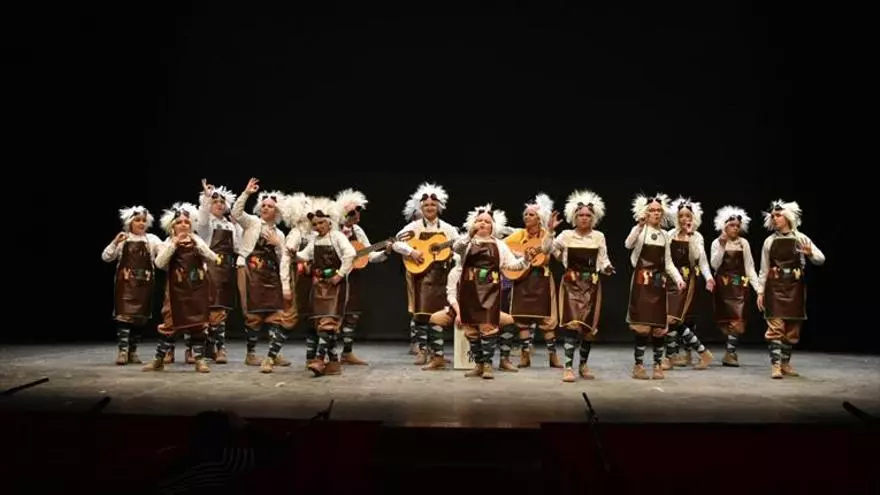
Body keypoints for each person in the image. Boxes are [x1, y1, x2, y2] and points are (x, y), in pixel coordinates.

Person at [439, 204, 531, 379]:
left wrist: (525, 260)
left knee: (487, 327)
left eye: (487, 221)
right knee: (471, 329)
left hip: (490, 291)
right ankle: (479, 365)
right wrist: (469, 234)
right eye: (479, 220)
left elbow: (511, 266)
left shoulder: (499, 245)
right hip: (469, 289)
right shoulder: (467, 242)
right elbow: (456, 248)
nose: (482, 223)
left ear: (492, 226)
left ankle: (488, 366)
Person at [392, 182, 461, 370]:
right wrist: (411, 252)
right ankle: (423, 350)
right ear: (420, 208)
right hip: (422, 275)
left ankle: (436, 352)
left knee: (438, 314)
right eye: (426, 205)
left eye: (432, 205)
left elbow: (458, 247)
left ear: (439, 207)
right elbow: (396, 242)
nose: (430, 208)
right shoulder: (413, 227)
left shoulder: (448, 229)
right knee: (421, 314)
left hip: (441, 276)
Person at [143, 202, 217, 372]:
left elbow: (212, 258)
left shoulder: (197, 240)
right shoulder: (168, 242)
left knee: (198, 324)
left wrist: (198, 245)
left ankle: (199, 360)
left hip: (197, 289)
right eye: (179, 222)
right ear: (172, 226)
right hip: (176, 291)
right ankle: (158, 360)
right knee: (170, 323)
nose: (183, 225)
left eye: (186, 222)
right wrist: (174, 244)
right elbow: (159, 263)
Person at [551, 190, 616, 382]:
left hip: (591, 285)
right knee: (572, 325)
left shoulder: (599, 236)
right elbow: (549, 249)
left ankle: (583, 364)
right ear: (574, 216)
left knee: (589, 329)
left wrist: (608, 268)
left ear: (594, 217)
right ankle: (568, 367)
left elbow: (603, 261)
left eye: (588, 215)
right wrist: (550, 231)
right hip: (571, 284)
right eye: (581, 215)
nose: (584, 218)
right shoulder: (565, 235)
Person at [757, 199, 825, 378]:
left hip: (795, 287)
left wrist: (810, 255)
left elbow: (821, 259)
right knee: (775, 326)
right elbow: (763, 269)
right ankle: (776, 365)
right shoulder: (769, 241)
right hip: (774, 287)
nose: (775, 218)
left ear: (787, 217)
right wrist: (760, 292)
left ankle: (785, 363)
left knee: (793, 328)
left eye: (778, 215)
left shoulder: (801, 238)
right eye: (772, 216)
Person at [624, 193, 686, 380]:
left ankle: (658, 365)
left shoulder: (665, 235)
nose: (656, 213)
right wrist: (639, 225)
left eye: (659, 210)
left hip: (659, 283)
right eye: (652, 210)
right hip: (641, 282)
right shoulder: (640, 230)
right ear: (645, 212)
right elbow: (627, 244)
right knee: (642, 326)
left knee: (659, 326)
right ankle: (639, 365)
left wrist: (678, 279)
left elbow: (667, 262)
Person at [231, 178, 289, 373]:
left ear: (277, 212)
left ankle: (274, 353)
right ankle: (251, 353)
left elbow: (284, 258)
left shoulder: (279, 234)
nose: (265, 208)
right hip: (248, 271)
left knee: (275, 313)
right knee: (253, 314)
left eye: (270, 206)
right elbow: (236, 213)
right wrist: (247, 193)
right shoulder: (252, 222)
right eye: (263, 205)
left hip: (270, 276)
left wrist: (277, 244)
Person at [295, 197, 357, 377]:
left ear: (329, 222)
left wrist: (340, 274)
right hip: (319, 285)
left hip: (335, 287)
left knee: (328, 324)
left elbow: (350, 254)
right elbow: (304, 257)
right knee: (322, 324)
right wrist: (292, 253)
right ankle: (334, 363)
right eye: (315, 224)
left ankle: (320, 360)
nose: (318, 226)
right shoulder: (314, 240)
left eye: (321, 222)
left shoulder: (337, 236)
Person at [505, 194, 563, 370]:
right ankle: (525, 355)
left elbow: (552, 252)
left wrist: (551, 233)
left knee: (548, 318)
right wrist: (520, 255)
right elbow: (503, 248)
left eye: (531, 214)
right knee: (522, 318)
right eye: (526, 214)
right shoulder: (518, 235)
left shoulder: (547, 235)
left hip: (542, 280)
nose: (526, 217)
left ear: (540, 218)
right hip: (523, 279)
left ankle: (553, 356)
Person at [334, 188, 392, 365]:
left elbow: (369, 255)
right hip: (335, 277)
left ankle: (347, 352)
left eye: (358, 210)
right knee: (332, 315)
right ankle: (326, 355)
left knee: (351, 315)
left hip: (353, 278)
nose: (356, 214)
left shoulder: (358, 231)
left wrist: (386, 252)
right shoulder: (332, 229)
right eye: (352, 211)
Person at [102, 205, 162, 365]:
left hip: (144, 285)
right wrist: (115, 242)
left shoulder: (153, 240)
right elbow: (106, 257)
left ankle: (133, 351)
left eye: (143, 220)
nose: (141, 223)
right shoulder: (123, 239)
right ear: (130, 222)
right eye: (137, 220)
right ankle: (123, 350)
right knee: (124, 316)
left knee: (140, 319)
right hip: (125, 285)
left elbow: (163, 255)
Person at [662, 197, 715, 371]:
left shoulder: (697, 236)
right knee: (669, 319)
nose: (685, 219)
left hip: (686, 280)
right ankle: (676, 356)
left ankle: (691, 354)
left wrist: (708, 278)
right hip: (670, 279)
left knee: (673, 318)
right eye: (682, 215)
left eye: (688, 215)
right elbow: (666, 259)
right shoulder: (670, 235)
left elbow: (700, 260)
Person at [195, 179, 243, 364]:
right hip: (211, 269)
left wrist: (237, 225)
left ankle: (215, 347)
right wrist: (207, 197)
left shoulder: (230, 224)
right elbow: (203, 218)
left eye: (222, 202)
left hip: (228, 270)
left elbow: (238, 246)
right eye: (215, 202)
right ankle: (216, 348)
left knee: (223, 309)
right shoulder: (207, 224)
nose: (219, 204)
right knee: (212, 309)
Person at [710, 206, 761, 367]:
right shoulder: (716, 242)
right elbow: (714, 265)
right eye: (732, 225)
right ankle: (730, 353)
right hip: (723, 287)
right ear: (724, 225)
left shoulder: (743, 243)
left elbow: (750, 267)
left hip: (739, 286)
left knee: (738, 320)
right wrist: (723, 246)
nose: (735, 228)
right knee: (726, 322)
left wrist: (758, 288)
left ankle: (730, 352)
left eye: (738, 226)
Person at [279, 193, 313, 368]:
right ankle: (271, 356)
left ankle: (311, 358)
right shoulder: (296, 233)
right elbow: (286, 260)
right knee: (289, 317)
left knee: (313, 318)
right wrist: (285, 285)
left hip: (313, 281)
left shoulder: (315, 233)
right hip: (297, 280)